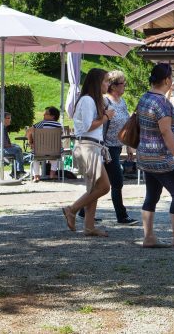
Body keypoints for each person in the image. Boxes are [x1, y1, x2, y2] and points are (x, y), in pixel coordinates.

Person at [135, 63, 174, 251]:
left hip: (146, 154)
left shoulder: (145, 98)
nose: (172, 80)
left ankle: (149, 237)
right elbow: (165, 131)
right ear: (166, 80)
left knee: (152, 195)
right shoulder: (161, 103)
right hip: (161, 157)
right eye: (171, 77)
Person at [62, 68, 114, 237]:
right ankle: (72, 209)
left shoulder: (92, 100)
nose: (108, 84)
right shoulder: (87, 100)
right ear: (97, 83)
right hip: (87, 147)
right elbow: (87, 126)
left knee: (94, 188)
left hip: (92, 147)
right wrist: (106, 117)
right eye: (106, 81)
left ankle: (89, 227)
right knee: (104, 187)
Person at [101, 70, 134, 225]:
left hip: (117, 146)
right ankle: (122, 216)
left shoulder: (122, 102)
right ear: (113, 86)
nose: (125, 86)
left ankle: (82, 210)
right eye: (122, 83)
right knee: (117, 181)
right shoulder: (105, 102)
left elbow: (126, 124)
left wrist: (129, 146)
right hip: (106, 148)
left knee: (99, 183)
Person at [26, 107, 63, 181]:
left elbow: (28, 131)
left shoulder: (42, 123)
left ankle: (36, 176)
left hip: (39, 151)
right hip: (54, 151)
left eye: (46, 114)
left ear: (52, 116)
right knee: (56, 153)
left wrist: (30, 142)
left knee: (35, 157)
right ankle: (52, 174)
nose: (43, 115)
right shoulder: (59, 126)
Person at [0, 113, 26, 178]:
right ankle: (19, 172)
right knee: (17, 150)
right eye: (8, 118)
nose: (10, 120)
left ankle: (15, 173)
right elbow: (4, 144)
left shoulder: (1, 127)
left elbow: (6, 143)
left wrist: (12, 145)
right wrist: (12, 146)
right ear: (2, 119)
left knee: (16, 148)